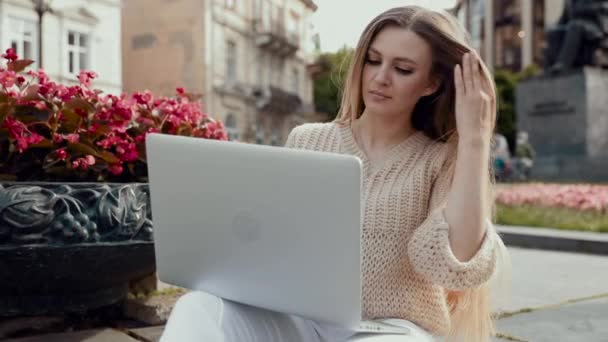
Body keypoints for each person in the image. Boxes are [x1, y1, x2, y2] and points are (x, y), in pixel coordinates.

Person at [160, 6, 510, 342]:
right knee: (198, 307)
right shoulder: (307, 139)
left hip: (389, 331)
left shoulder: (440, 160)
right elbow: (271, 239)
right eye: (373, 60)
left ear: (431, 84)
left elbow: (454, 263)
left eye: (403, 69)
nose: (380, 77)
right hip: (298, 321)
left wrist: (475, 140)